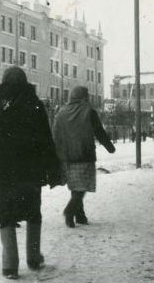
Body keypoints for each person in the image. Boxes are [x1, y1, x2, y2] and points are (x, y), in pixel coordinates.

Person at [0, 66, 63, 280]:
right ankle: (33, 258)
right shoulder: (34, 103)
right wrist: (51, 167)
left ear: (4, 81)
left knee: (6, 216)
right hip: (30, 170)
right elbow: (45, 138)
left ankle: (10, 266)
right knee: (33, 212)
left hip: (2, 170)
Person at [52, 86, 116, 226]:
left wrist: (57, 153)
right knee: (82, 187)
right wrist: (109, 147)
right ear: (84, 97)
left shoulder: (61, 112)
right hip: (84, 154)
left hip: (67, 157)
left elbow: (56, 133)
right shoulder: (89, 112)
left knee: (75, 186)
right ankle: (70, 211)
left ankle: (80, 215)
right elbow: (99, 131)